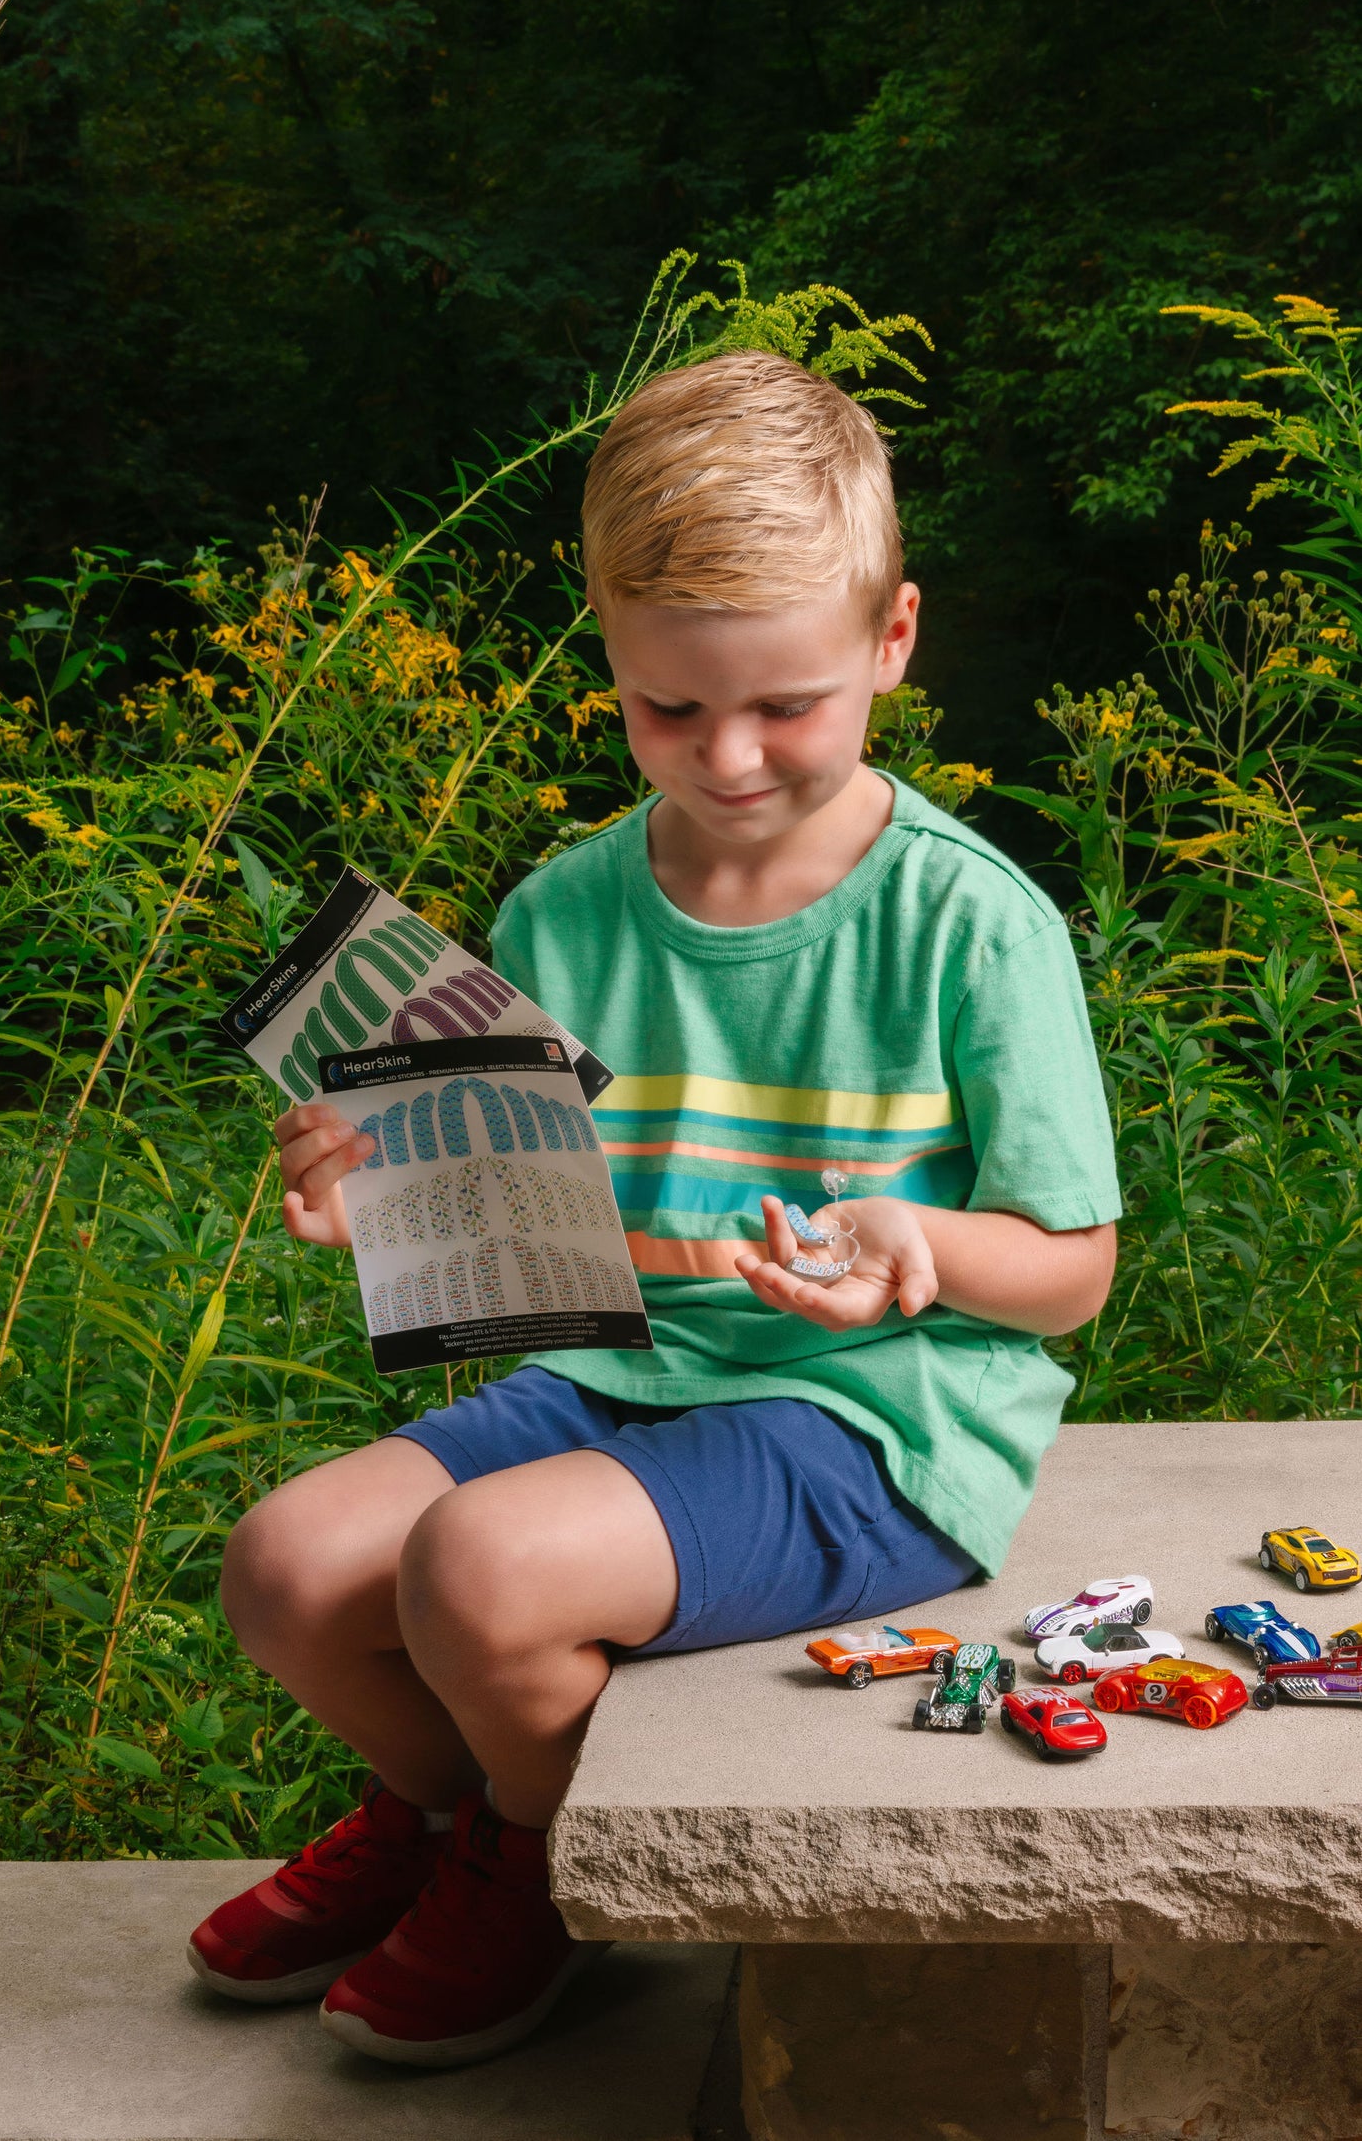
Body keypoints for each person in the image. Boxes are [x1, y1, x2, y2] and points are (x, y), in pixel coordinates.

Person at [187, 349, 1121, 2067]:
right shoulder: (562, 912)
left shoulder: (973, 925)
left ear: (892, 642)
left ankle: (552, 1863)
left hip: (872, 1417)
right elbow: (542, 1236)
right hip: (620, 1378)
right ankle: (451, 1809)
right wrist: (384, 1195)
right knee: (288, 1569)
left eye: (786, 703)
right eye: (668, 710)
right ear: (609, 660)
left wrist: (922, 1252)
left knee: (470, 1570)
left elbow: (1068, 1274)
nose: (731, 755)